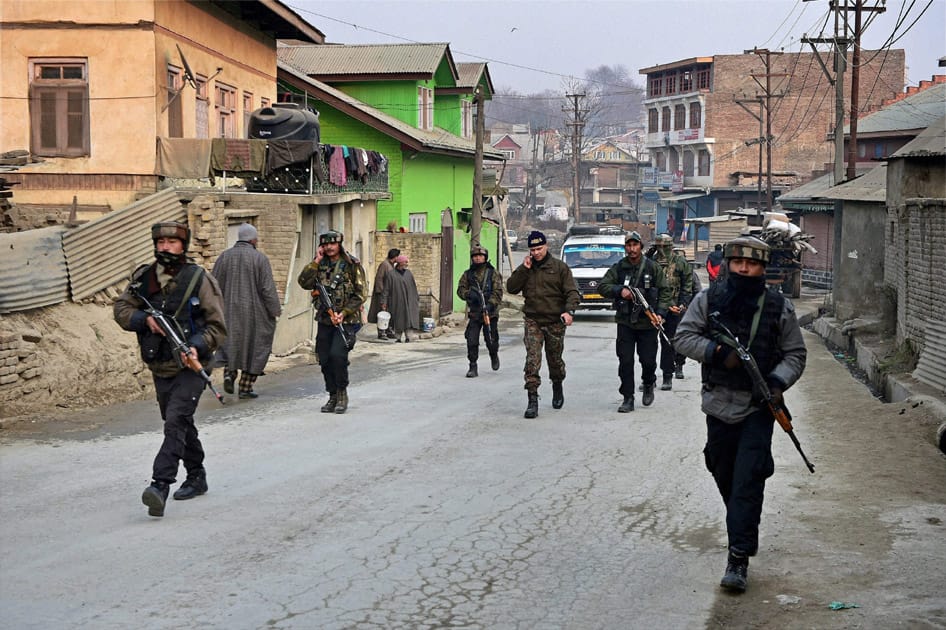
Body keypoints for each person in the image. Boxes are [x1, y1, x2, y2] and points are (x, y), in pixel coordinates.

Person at [675, 236, 807, 594]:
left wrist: (778, 383)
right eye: (739, 263)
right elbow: (683, 337)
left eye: (752, 265)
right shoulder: (709, 300)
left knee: (747, 480)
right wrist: (718, 353)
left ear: (763, 269)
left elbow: (795, 354)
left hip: (757, 407)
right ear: (729, 264)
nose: (745, 269)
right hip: (718, 402)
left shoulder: (779, 307)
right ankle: (741, 519)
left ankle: (738, 557)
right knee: (723, 469)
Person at [113, 221, 227, 518]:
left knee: (175, 421)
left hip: (191, 365)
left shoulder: (199, 279)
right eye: (161, 242)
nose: (165, 247)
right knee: (179, 422)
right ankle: (197, 474)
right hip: (161, 364)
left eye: (172, 243)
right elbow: (121, 309)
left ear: (183, 246)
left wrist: (197, 345)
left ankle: (160, 484)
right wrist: (143, 319)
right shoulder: (144, 278)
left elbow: (218, 327)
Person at [506, 230, 580, 418]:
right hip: (533, 321)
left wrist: (569, 311)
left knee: (555, 361)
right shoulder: (527, 268)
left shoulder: (560, 268)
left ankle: (557, 384)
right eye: (533, 249)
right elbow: (511, 287)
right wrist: (524, 269)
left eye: (539, 248)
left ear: (546, 246)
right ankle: (532, 399)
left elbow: (572, 292)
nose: (537, 252)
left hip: (555, 321)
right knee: (532, 360)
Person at [599, 231, 671, 413]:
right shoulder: (619, 267)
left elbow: (665, 292)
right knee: (625, 361)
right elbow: (603, 287)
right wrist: (619, 290)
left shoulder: (652, 268)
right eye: (628, 246)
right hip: (625, 323)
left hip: (647, 323)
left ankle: (648, 382)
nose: (632, 249)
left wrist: (661, 313)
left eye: (635, 245)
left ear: (641, 246)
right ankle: (628, 397)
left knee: (647, 360)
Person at [297, 231, 367, 414]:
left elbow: (360, 294)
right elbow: (303, 282)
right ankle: (332, 395)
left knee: (338, 356)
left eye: (332, 244)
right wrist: (316, 261)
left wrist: (344, 313)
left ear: (339, 244)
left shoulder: (351, 265)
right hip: (325, 320)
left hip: (346, 321)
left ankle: (342, 393)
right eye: (325, 245)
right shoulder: (319, 264)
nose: (329, 248)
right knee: (324, 358)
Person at [212, 223, 281, 399]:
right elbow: (267, 289)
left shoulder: (224, 257)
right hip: (255, 314)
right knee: (256, 347)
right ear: (253, 239)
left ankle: (229, 374)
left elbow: (213, 284)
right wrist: (275, 310)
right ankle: (245, 387)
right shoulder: (260, 259)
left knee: (232, 344)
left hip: (228, 312)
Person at [649, 233, 693, 390]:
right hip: (653, 309)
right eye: (659, 247)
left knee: (669, 342)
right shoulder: (651, 262)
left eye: (665, 247)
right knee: (648, 345)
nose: (662, 251)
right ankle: (649, 378)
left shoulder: (680, 262)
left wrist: (682, 304)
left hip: (673, 309)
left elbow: (687, 285)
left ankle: (668, 375)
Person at [457, 245, 503, 377]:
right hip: (475, 313)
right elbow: (460, 290)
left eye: (480, 256)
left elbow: (498, 292)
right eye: (475, 256)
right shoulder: (468, 274)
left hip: (490, 313)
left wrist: (490, 305)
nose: (478, 258)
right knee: (472, 340)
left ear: (485, 257)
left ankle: (493, 355)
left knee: (491, 339)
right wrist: (469, 294)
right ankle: (473, 366)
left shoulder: (492, 273)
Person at [382, 254, 420, 343]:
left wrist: (416, 298)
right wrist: (384, 302)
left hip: (410, 300)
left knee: (409, 319)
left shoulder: (409, 273)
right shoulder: (391, 274)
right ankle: (398, 337)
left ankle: (408, 337)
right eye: (405, 262)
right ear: (400, 263)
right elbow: (386, 289)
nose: (407, 263)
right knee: (398, 319)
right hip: (397, 301)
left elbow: (414, 287)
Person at [368, 248, 399, 339]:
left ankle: (388, 331)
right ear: (395, 257)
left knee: (388, 313)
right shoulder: (384, 265)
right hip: (382, 294)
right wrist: (382, 293)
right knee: (382, 314)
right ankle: (382, 333)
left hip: (388, 294)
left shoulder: (391, 265)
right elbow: (379, 279)